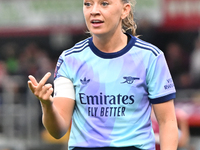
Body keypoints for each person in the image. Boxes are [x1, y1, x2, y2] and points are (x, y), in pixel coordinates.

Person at [27, 0, 178, 149]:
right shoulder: (69, 60)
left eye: (104, 3)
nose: (94, 11)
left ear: (125, 10)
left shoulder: (151, 57)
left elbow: (167, 122)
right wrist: (47, 105)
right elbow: (58, 131)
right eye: (88, 4)